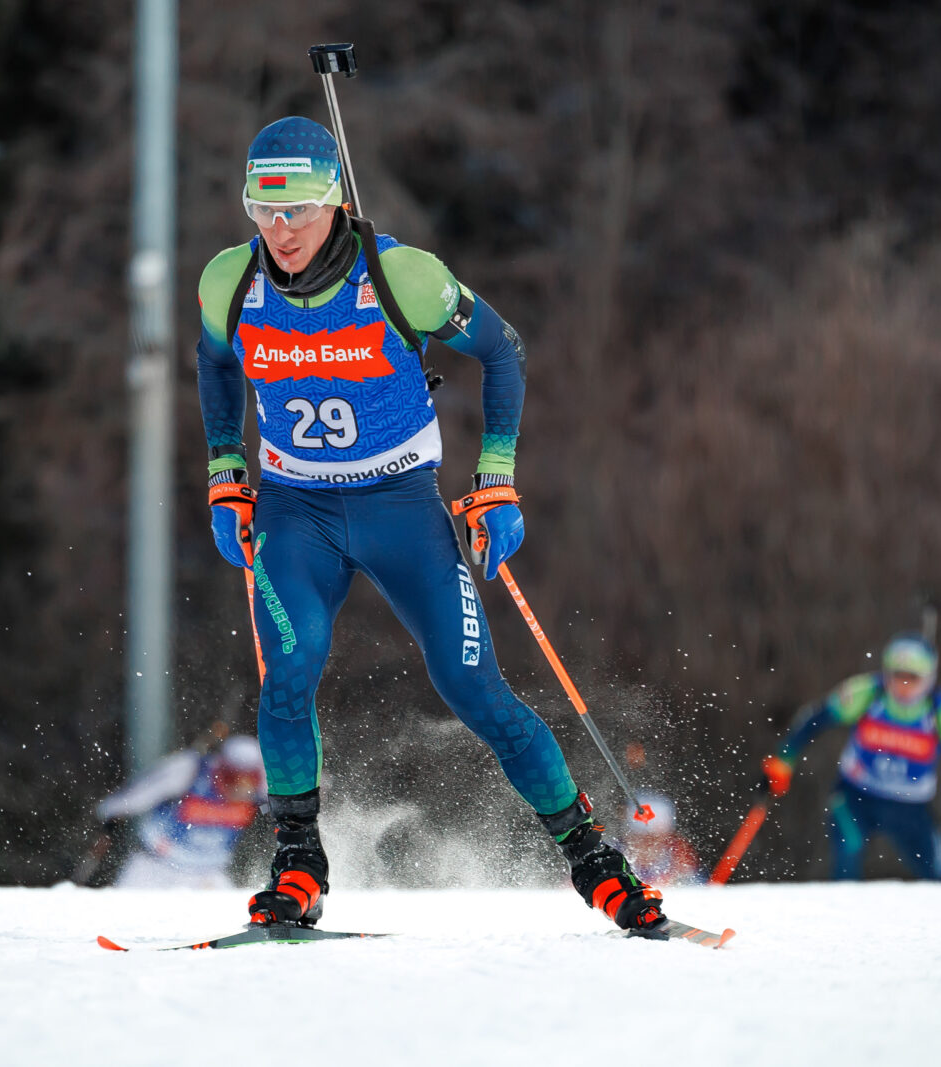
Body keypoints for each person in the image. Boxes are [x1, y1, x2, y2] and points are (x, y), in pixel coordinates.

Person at [193, 116, 664, 932]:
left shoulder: (402, 276)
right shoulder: (229, 281)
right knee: (290, 670)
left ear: (335, 202)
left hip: (401, 509)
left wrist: (496, 478)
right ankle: (299, 864)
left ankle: (596, 862)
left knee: (472, 685)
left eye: (297, 211)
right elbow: (213, 359)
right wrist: (225, 468)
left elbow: (503, 349)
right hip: (297, 512)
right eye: (263, 211)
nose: (281, 231)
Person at [759, 632, 941, 880]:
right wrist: (783, 760)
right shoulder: (866, 693)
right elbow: (814, 720)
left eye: (912, 679)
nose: (903, 686)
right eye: (898, 676)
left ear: (928, 679)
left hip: (911, 808)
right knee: (847, 860)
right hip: (856, 797)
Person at [95, 734, 267, 888]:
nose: (241, 789)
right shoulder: (192, 770)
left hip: (207, 875)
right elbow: (141, 793)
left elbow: (277, 808)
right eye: (234, 779)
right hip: (156, 867)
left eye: (249, 781)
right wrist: (112, 811)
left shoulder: (263, 785)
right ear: (222, 768)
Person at [615, 793, 701, 886]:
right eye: (642, 836)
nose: (649, 844)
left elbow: (698, 886)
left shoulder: (679, 854)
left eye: (656, 837)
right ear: (627, 834)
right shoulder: (614, 854)